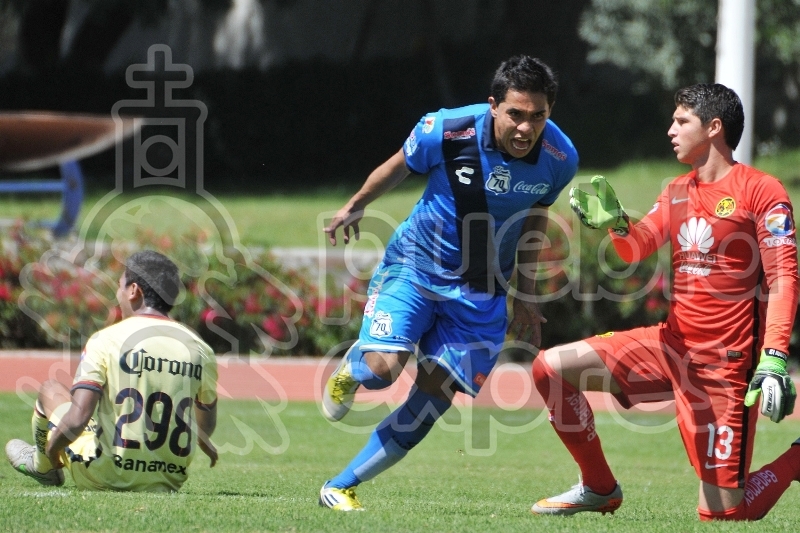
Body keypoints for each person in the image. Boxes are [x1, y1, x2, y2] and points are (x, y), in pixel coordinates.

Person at [318, 55, 579, 511]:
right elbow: (400, 164)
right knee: (382, 372)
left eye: (538, 116)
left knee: (435, 395)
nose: (526, 128)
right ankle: (353, 369)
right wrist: (357, 204)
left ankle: (340, 486)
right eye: (516, 114)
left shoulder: (560, 159)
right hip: (415, 267)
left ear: (549, 113)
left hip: (483, 290)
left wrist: (525, 292)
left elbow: (536, 217)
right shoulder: (446, 128)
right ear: (494, 105)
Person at [530, 83, 800, 521]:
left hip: (724, 365)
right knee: (551, 368)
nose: (670, 130)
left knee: (724, 515)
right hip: (669, 346)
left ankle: (797, 458)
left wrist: (772, 356)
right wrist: (617, 224)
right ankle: (599, 487)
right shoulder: (676, 190)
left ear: (713, 128)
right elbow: (637, 248)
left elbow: (784, 277)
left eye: (681, 121)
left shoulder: (762, 191)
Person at [5, 250, 219, 492]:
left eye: (120, 286)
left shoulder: (106, 339)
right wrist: (202, 439)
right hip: (168, 479)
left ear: (133, 290)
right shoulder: (200, 349)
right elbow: (205, 423)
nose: (118, 295)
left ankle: (42, 466)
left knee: (51, 390)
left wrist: (52, 450)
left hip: (104, 473)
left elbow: (78, 417)